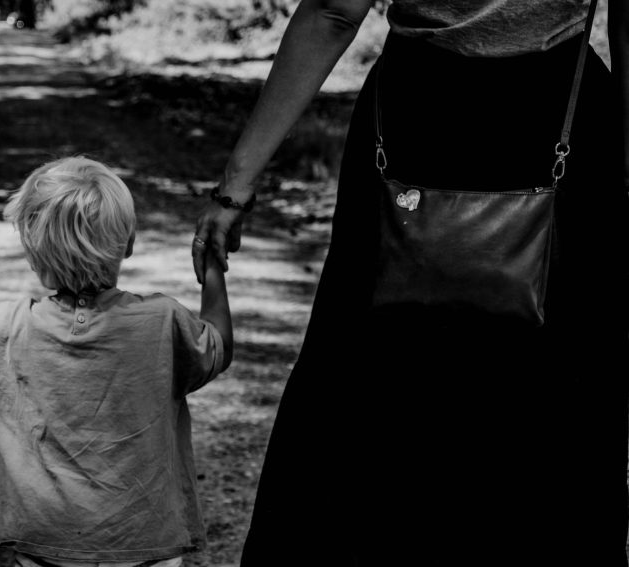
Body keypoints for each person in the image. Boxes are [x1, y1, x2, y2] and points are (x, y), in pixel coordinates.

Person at [192, 0, 629, 565]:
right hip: (560, 122)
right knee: (555, 395)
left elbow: (333, 12)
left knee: (376, 387)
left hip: (418, 122)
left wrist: (236, 187)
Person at [0, 157, 233, 567]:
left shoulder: (9, 327)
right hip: (145, 539)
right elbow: (220, 343)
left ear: (32, 255)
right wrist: (212, 268)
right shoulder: (163, 322)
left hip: (46, 541)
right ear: (129, 244)